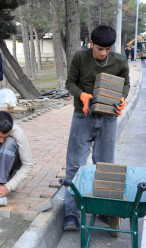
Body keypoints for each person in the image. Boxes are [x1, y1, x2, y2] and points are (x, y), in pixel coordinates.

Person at [63, 25, 130, 231]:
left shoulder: (120, 61)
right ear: (91, 43)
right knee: (75, 165)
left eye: (108, 49)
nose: (103, 53)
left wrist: (122, 98)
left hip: (108, 120)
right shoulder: (80, 58)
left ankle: (103, 210)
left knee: (105, 166)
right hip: (82, 118)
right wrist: (82, 95)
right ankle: (71, 215)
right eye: (100, 48)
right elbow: (70, 83)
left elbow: (125, 84)